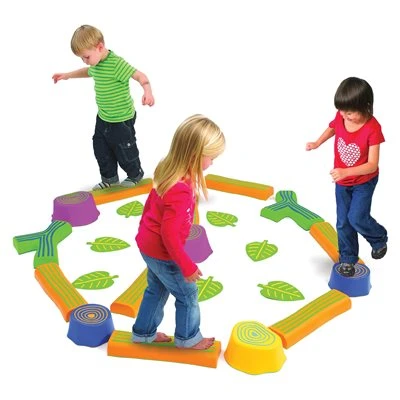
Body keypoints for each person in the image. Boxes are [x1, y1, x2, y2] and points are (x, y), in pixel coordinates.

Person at [132, 114, 225, 349]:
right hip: (163, 252)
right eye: (211, 157)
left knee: (156, 289)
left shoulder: (169, 169)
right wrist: (187, 266)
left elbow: (150, 207)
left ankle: (143, 333)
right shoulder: (180, 189)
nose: (212, 163)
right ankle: (188, 338)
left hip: (149, 245)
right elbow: (169, 235)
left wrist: (145, 234)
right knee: (187, 294)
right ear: (194, 155)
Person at [52, 25, 154, 190]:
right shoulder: (96, 64)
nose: (85, 61)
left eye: (86, 57)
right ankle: (110, 178)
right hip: (103, 117)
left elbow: (140, 76)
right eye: (82, 58)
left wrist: (147, 92)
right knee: (101, 148)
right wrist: (67, 76)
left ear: (100, 47)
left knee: (124, 149)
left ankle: (135, 174)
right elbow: (88, 72)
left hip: (121, 119)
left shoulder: (116, 64)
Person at [306, 77, 388, 277]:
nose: (344, 115)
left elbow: (372, 165)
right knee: (343, 221)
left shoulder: (372, 128)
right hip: (342, 183)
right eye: (341, 111)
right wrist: (317, 142)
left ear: (365, 106)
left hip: (364, 182)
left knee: (356, 217)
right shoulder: (342, 115)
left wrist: (345, 171)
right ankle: (348, 258)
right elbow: (333, 127)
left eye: (349, 112)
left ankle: (378, 238)